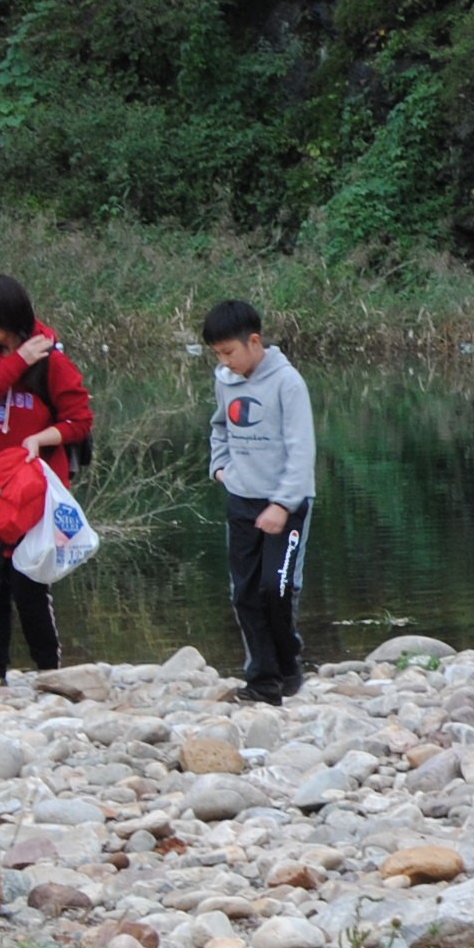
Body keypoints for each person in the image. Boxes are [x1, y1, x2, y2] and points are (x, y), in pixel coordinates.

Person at [0, 275, 94, 681]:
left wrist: (40, 438)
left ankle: (49, 669)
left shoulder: (54, 363)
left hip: (30, 493)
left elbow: (80, 421)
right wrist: (17, 363)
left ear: (8, 318)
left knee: (28, 582)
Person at [205, 299, 318, 706]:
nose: (225, 361)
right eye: (218, 354)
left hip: (285, 506)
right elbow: (219, 427)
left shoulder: (288, 383)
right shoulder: (225, 380)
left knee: (277, 587)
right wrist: (220, 469)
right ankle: (264, 681)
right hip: (242, 500)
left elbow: (302, 450)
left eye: (229, 352)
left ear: (254, 341)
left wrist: (283, 504)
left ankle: (288, 660)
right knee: (245, 593)